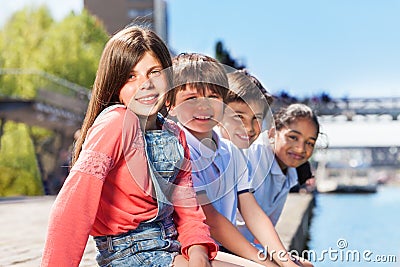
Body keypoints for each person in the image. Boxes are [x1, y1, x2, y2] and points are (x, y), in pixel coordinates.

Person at [41, 25, 243, 267]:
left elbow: (188, 210)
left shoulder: (174, 133)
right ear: (115, 83)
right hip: (130, 255)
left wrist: (198, 254)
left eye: (154, 73)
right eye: (131, 76)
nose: (145, 85)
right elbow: (73, 208)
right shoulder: (115, 122)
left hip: (173, 246)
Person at [167, 53, 302, 267]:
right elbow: (211, 221)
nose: (204, 107)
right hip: (189, 248)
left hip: (221, 247)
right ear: (171, 105)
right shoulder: (177, 149)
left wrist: (284, 260)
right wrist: (264, 261)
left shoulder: (231, 151)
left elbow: (252, 211)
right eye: (192, 98)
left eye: (213, 97)